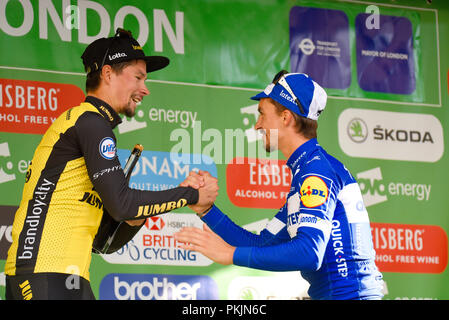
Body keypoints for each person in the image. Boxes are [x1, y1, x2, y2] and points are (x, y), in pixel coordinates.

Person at [4, 28, 218, 300]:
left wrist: (136, 216)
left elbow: (104, 243)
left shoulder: (90, 124)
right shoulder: (90, 122)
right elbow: (123, 204)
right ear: (107, 74)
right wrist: (192, 195)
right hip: (44, 273)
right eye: (138, 77)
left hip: (65, 276)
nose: (145, 89)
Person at [175, 70, 384, 300]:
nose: (257, 125)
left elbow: (310, 252)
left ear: (286, 117)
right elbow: (262, 243)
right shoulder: (306, 171)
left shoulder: (316, 171)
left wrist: (230, 254)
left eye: (262, 114)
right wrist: (206, 210)